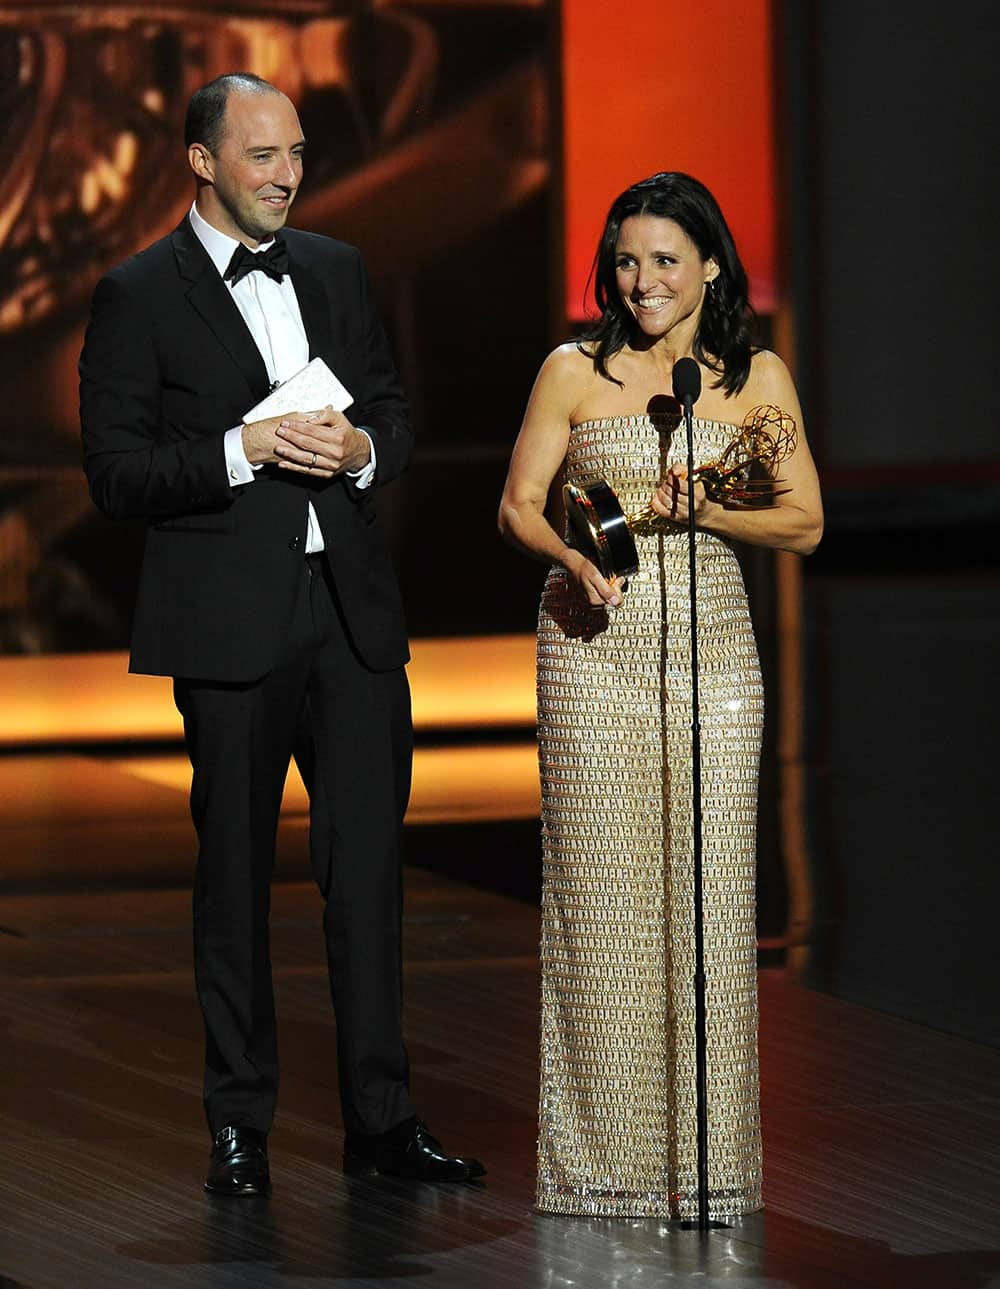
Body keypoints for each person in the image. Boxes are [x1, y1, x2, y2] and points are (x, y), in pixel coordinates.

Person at [80, 72, 484, 1195]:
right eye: (262, 156)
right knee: (237, 880)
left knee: (366, 878)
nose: (287, 174)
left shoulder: (340, 269)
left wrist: (361, 452)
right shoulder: (136, 294)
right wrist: (241, 449)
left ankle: (380, 1121)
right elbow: (113, 475)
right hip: (228, 623)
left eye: (296, 152)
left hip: (350, 615)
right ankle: (239, 1125)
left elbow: (395, 415)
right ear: (202, 163)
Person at [498, 171, 822, 1219]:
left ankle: (708, 1165)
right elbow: (516, 507)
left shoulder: (752, 378)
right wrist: (575, 561)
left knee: (711, 905)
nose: (640, 281)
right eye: (627, 260)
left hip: (716, 655)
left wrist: (708, 512)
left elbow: (805, 523)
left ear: (712, 265)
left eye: (664, 261)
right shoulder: (571, 370)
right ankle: (599, 1169)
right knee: (599, 905)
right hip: (591, 646)